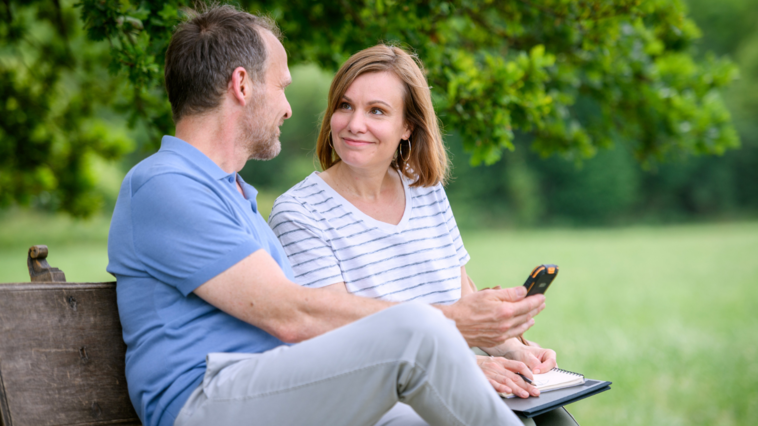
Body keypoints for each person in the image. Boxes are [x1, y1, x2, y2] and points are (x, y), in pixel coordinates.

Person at [106, 6, 547, 426]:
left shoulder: (230, 193)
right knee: (416, 332)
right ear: (242, 85)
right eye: (281, 86)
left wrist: (495, 346)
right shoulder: (166, 184)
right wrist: (452, 321)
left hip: (275, 387)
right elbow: (292, 314)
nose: (288, 107)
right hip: (209, 402)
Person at [268, 45, 578, 425]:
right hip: (379, 400)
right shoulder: (300, 213)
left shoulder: (423, 189)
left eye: (376, 111)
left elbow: (459, 293)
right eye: (345, 106)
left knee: (553, 418)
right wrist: (464, 368)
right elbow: (335, 334)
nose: (353, 124)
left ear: (407, 127)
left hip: (454, 375)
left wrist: (514, 350)